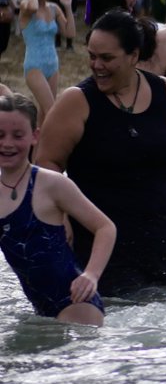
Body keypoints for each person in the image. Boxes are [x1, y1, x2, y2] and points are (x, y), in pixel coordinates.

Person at [35, 9, 166, 296]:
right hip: (96, 244)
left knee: (155, 313)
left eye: (107, 58)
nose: (97, 65)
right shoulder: (76, 101)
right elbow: (46, 163)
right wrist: (59, 218)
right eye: (92, 56)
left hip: (154, 238)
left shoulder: (163, 91)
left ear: (133, 56)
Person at [0, 94, 113, 326]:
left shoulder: (51, 184)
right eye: (0, 135)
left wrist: (91, 275)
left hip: (78, 305)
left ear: (35, 136)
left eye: (18, 135)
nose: (8, 143)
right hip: (41, 312)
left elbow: (105, 227)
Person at [17, 0, 73, 118]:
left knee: (44, 114)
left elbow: (70, 33)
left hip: (53, 65)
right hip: (34, 66)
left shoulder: (54, 8)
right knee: (51, 110)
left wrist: (68, 6)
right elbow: (33, 7)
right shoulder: (25, 5)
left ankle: (39, 134)